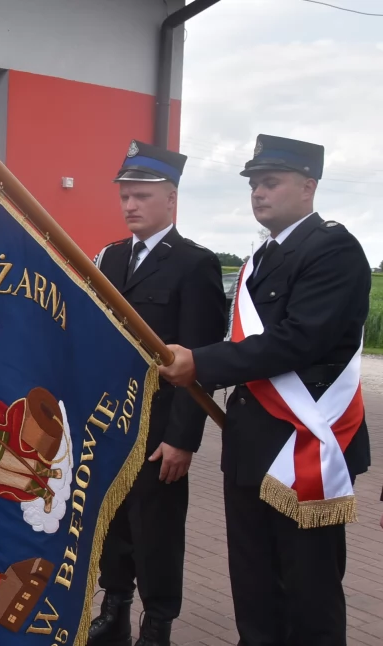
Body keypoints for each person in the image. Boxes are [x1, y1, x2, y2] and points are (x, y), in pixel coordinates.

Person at [159, 135, 371, 646]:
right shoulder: (263, 256)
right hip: (252, 442)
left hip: (305, 443)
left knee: (309, 595)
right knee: (254, 590)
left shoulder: (333, 249)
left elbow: (297, 341)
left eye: (270, 182)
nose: (258, 192)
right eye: (254, 183)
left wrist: (201, 362)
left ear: (308, 185)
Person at [87, 140, 227, 646]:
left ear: (170, 198)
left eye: (141, 195)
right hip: (111, 422)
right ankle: (115, 609)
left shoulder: (195, 263)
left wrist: (182, 439)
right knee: (114, 522)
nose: (129, 205)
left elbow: (201, 360)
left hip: (160, 426)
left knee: (158, 532)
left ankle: (159, 622)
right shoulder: (111, 257)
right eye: (124, 195)